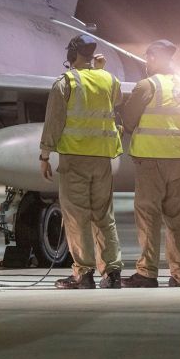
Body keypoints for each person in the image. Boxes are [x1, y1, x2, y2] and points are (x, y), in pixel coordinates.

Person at [39, 34, 125, 289]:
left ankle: (83, 274)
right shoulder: (109, 79)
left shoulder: (65, 83)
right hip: (102, 159)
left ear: (71, 55)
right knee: (103, 216)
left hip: (75, 159)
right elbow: (116, 99)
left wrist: (44, 155)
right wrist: (99, 70)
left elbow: (53, 122)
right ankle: (112, 273)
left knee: (77, 217)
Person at [120, 39, 180, 288]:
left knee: (148, 217)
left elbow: (128, 120)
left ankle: (147, 273)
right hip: (178, 162)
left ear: (152, 58)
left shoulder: (147, 85)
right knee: (177, 220)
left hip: (151, 161)